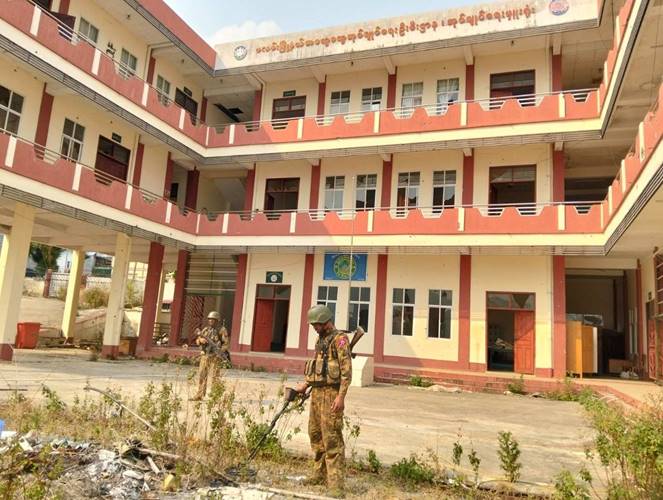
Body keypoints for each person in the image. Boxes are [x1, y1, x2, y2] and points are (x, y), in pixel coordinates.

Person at [295, 305, 352, 498]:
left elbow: (346, 371)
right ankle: (319, 474)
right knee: (316, 434)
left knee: (332, 438)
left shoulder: (340, 339)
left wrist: (341, 397)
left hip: (332, 395)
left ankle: (336, 485)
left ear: (325, 321)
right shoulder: (320, 339)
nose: (314, 328)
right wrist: (305, 385)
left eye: (316, 325)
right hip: (317, 394)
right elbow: (317, 368)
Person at [190, 311, 230, 401]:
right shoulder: (206, 329)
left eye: (213, 319)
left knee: (215, 376)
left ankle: (215, 395)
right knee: (202, 374)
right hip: (205, 355)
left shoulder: (222, 330)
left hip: (216, 356)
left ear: (217, 321)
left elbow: (226, 344)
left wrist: (220, 351)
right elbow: (198, 339)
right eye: (209, 319)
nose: (211, 321)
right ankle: (200, 394)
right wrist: (201, 340)